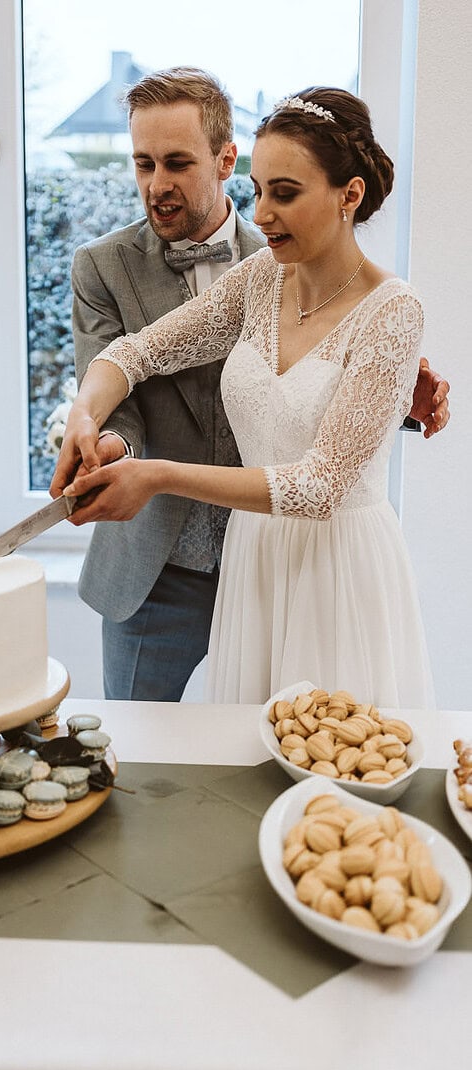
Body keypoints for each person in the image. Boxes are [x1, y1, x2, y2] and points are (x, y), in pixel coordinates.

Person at [69, 68, 449, 704]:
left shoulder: (392, 308)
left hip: (335, 573)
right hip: (245, 563)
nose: (263, 213)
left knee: (330, 767)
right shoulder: (259, 279)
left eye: (285, 193)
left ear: (349, 195)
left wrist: (158, 474)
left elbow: (323, 483)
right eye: (259, 190)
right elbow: (139, 351)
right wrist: (85, 415)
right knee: (231, 759)